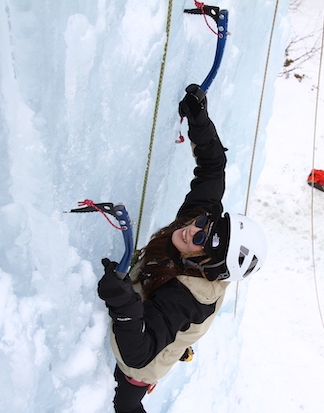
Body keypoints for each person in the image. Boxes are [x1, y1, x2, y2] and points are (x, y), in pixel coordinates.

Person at [97, 84, 268, 413]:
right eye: (205, 223)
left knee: (126, 406)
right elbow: (212, 169)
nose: (193, 230)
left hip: (141, 367)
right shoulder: (200, 224)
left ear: (210, 267)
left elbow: (139, 352)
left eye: (203, 239)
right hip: (159, 311)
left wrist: (122, 300)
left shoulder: (190, 294)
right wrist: (200, 120)